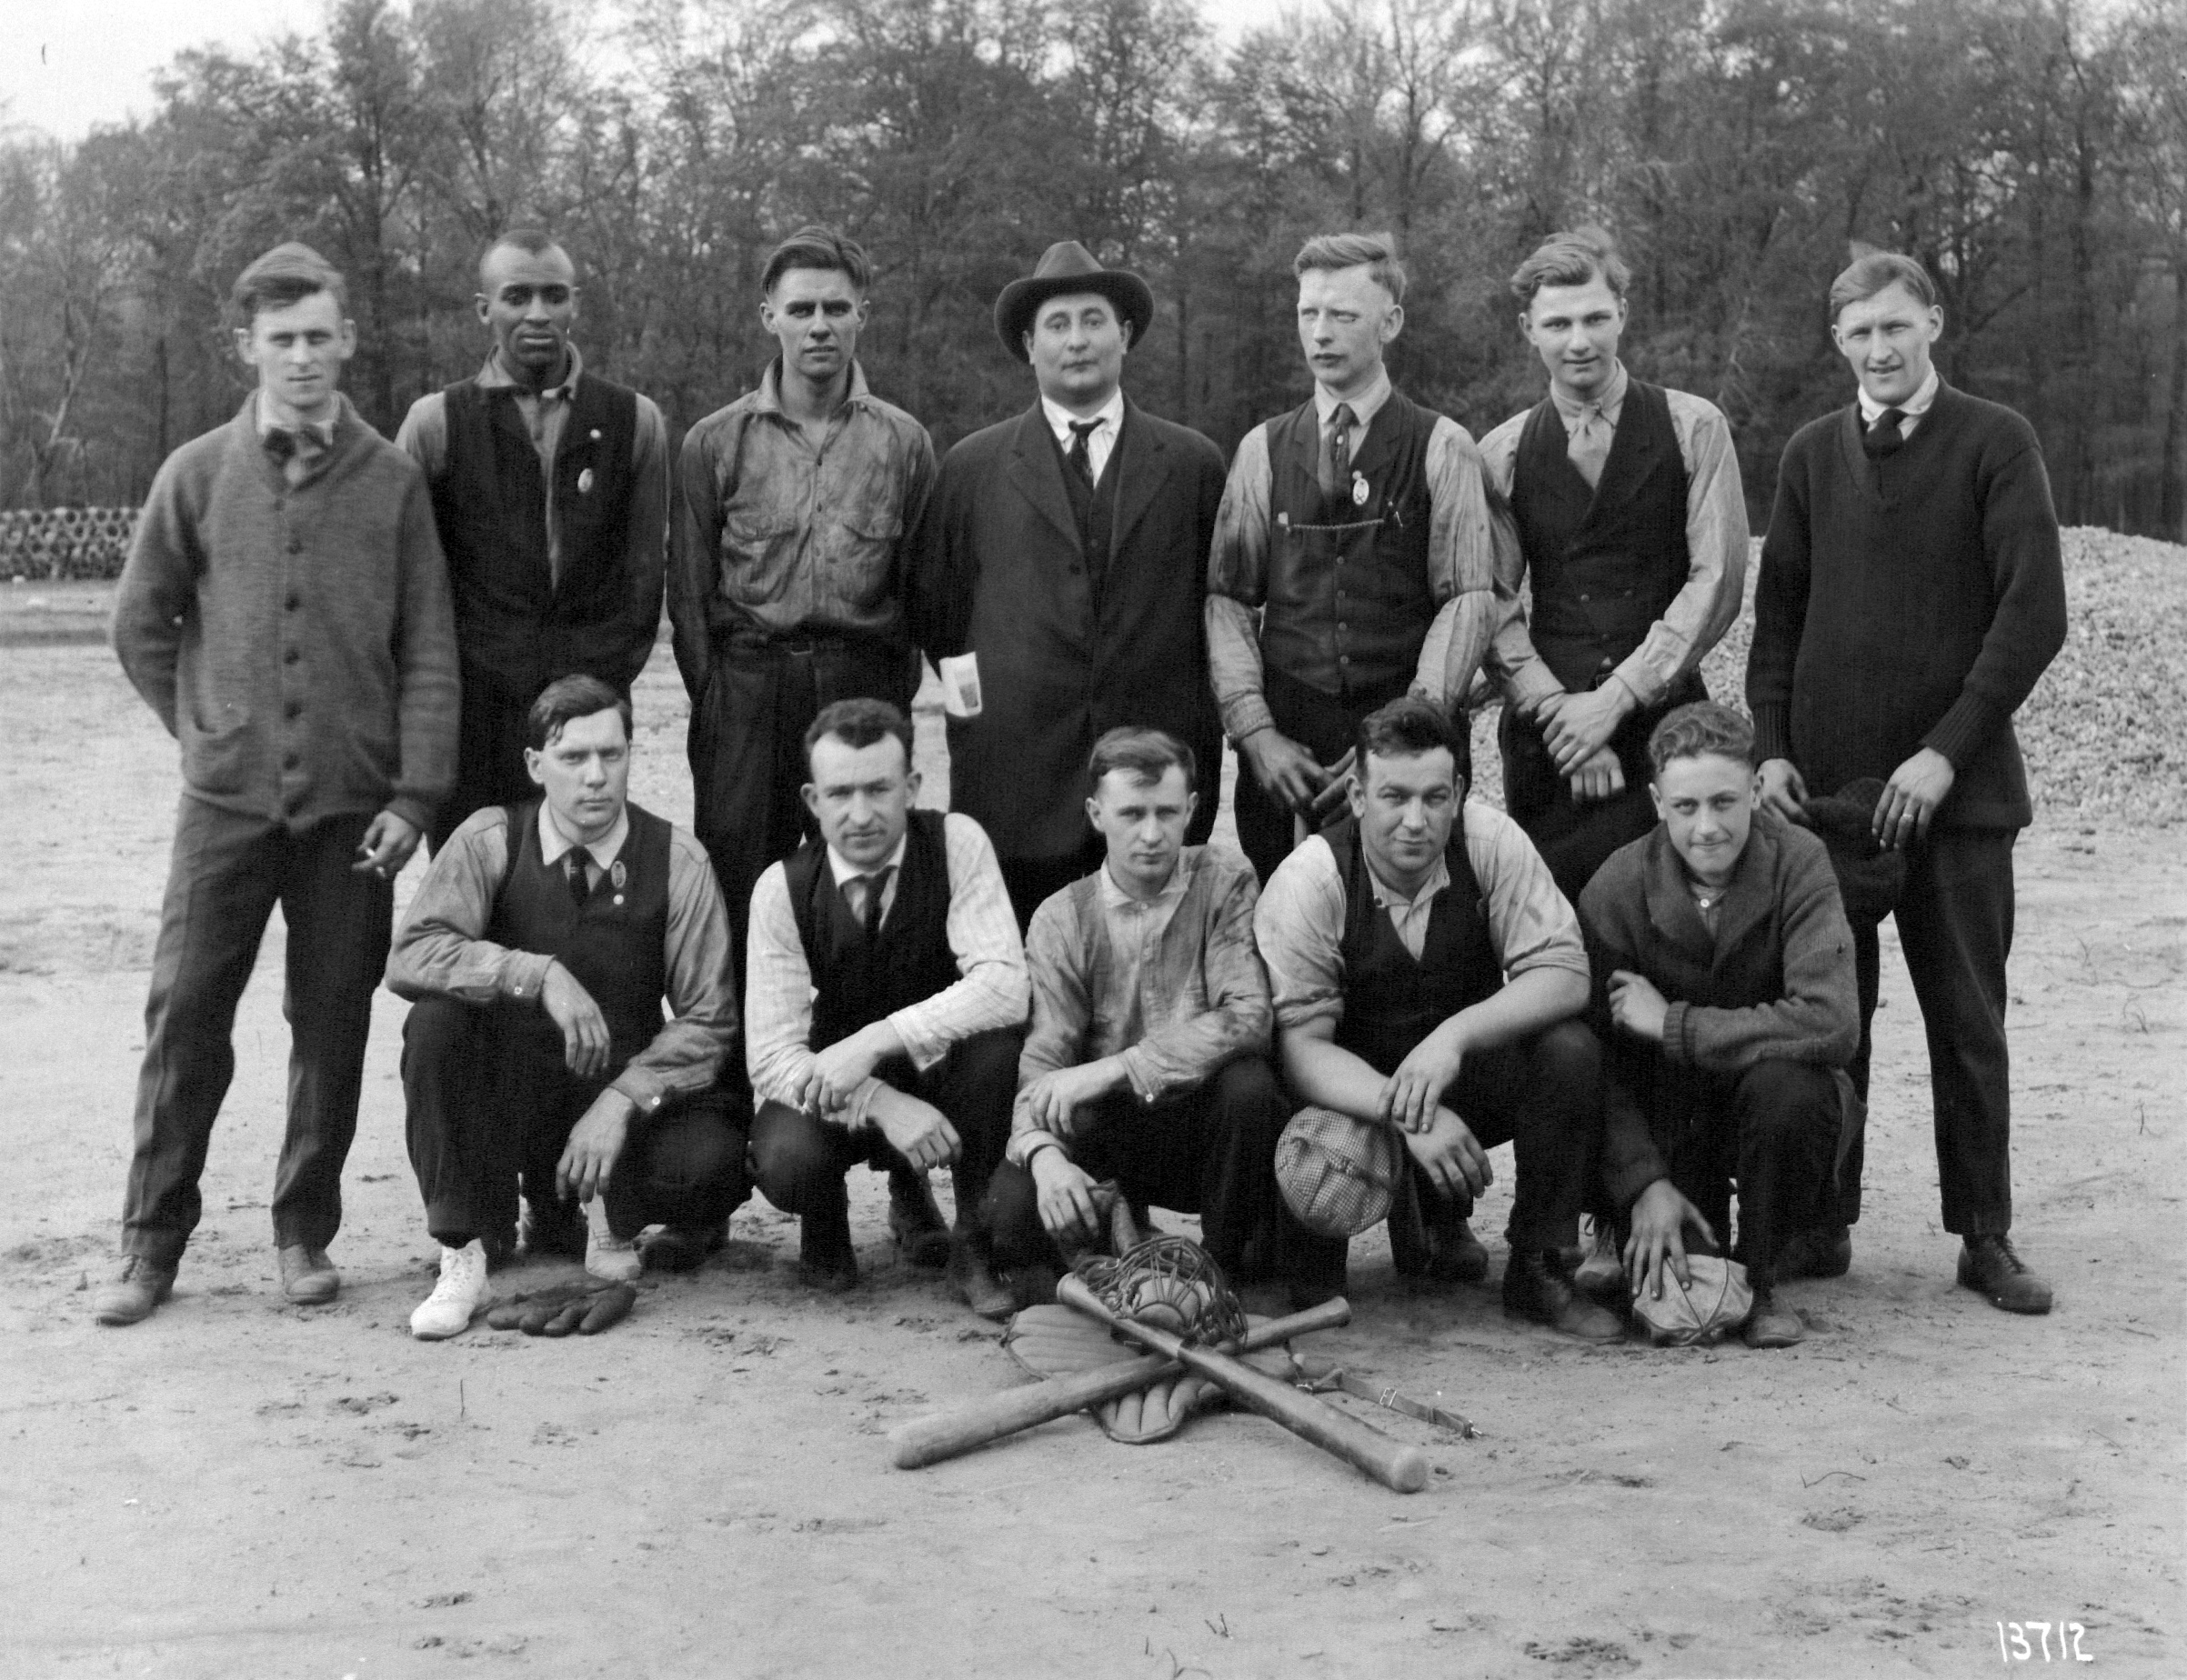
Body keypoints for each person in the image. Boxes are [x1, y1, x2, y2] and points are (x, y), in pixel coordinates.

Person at [98, 243, 459, 1325]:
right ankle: (152, 1241)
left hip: (354, 819)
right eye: (281, 340)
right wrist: (204, 730)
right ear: (246, 348)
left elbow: (430, 650)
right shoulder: (196, 474)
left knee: (331, 1021)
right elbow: (138, 622)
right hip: (225, 811)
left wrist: (412, 800)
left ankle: (305, 1230)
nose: (302, 358)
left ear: (347, 340)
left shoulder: (391, 482)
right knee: (187, 1016)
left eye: (319, 336)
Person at [1747, 250, 2068, 1314]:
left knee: (1964, 1022)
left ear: (1932, 323)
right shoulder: (1806, 455)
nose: (1877, 351)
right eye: (1856, 335)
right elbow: (1777, 619)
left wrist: (1943, 752)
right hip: (1831, 806)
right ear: (1834, 344)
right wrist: (1772, 749)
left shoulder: (1995, 442)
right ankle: (1819, 1223)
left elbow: (2032, 616)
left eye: (1894, 327)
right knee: (1834, 1022)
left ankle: (1983, 1235)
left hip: (1960, 802)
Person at [388, 677, 748, 1339]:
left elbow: (708, 1019)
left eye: (612, 756)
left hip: (607, 1103)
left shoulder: (676, 858)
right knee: (433, 1025)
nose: (595, 778)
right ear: (535, 765)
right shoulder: (491, 838)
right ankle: (464, 1249)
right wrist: (534, 972)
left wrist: (621, 1100)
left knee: (712, 1160)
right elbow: (412, 954)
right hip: (509, 1095)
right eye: (573, 758)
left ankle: (606, 1219)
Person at [1254, 697, 1619, 1340]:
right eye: (1393, 796)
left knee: (1567, 1049)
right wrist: (1404, 1112)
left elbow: (1564, 974)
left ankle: (1537, 1264)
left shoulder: (1489, 840)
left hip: (1458, 1074)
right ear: (1359, 796)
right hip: (1350, 1098)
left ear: (1456, 793)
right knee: (1314, 1307)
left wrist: (1452, 1040)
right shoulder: (1309, 879)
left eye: (1433, 798)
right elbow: (1301, 1050)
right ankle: (1319, 1262)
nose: (1415, 821)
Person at [909, 241, 1228, 924]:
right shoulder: (973, 468)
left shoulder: (1193, 465)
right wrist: (982, 713)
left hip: (1152, 778)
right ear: (1029, 345)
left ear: (1126, 335)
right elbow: (938, 613)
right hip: (1017, 781)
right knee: (1020, 989)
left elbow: (1219, 610)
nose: (1077, 341)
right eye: (1058, 325)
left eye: (1093, 320)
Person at [671, 225, 936, 974]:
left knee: (860, 879)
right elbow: (688, 596)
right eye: (801, 309)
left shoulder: (903, 444)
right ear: (769, 317)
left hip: (860, 682)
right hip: (749, 687)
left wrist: (887, 694)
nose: (818, 325)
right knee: (733, 886)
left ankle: (852, 1056)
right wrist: (719, 697)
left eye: (835, 308)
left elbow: (917, 590)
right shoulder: (714, 443)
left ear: (861, 316)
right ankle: (728, 1076)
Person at [1207, 231, 1500, 886]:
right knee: (1287, 931)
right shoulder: (1262, 449)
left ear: (1389, 322)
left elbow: (1469, 598)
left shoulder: (1442, 446)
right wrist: (1255, 734)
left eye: (1343, 315)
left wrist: (1404, 737)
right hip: (1288, 763)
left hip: (1411, 757)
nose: (1321, 332)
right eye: (1309, 313)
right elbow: (1227, 597)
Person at [984, 727, 1306, 1306]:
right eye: (1132, 813)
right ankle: (1120, 1251)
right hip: (1114, 1135)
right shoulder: (1061, 917)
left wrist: (1114, 1068)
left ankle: (1223, 1264)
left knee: (1250, 1089)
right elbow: (1046, 1061)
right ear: (1096, 813)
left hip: (1202, 1129)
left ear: (1191, 810)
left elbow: (1248, 1017)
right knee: (1011, 1218)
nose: (1152, 834)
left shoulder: (1224, 879)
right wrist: (1045, 1156)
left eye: (1166, 813)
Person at [1481, 228, 1750, 905]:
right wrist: (1560, 714)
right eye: (1558, 323)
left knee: (1680, 922)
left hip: (1667, 729)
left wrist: (1617, 698)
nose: (1579, 340)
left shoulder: (1695, 427)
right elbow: (1491, 602)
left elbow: (1714, 581)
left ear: (1622, 315)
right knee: (1562, 935)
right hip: (1550, 740)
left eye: (1596, 318)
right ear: (1527, 330)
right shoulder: (1500, 453)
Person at [1579, 703, 1858, 1349]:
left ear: (1756, 790)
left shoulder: (1800, 862)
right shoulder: (1616, 885)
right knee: (1682, 1301)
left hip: (1757, 1103)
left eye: (1724, 802)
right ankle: (1630, 1226)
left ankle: (1762, 1276)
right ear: (1655, 802)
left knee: (1795, 1091)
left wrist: (1674, 1024)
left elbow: (1831, 1021)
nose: (1706, 828)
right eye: (1684, 807)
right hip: (1664, 1114)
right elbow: (1597, 1060)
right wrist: (1642, 1182)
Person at [744, 699, 1028, 1315]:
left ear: (912, 787)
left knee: (996, 1052)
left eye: (879, 789)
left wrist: (874, 1040)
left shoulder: (957, 842)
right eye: (840, 794)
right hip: (840, 1092)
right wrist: (879, 1101)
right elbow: (768, 1059)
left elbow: (1005, 985)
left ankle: (971, 1246)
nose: (861, 813)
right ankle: (825, 1231)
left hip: (937, 1072)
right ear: (813, 800)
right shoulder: (781, 888)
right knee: (786, 1156)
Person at [396, 227, 668, 851]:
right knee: (475, 880)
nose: (537, 314)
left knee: (579, 883)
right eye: (517, 296)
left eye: (554, 296)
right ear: (484, 308)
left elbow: (644, 574)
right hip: (474, 710)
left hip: (587, 708)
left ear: (575, 303)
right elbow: (409, 580)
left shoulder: (634, 420)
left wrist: (599, 687)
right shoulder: (436, 422)